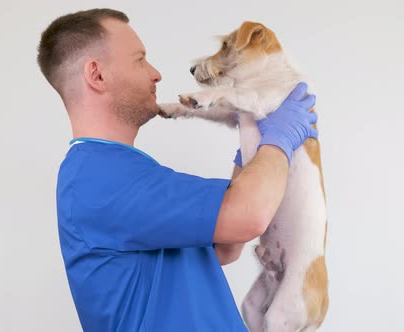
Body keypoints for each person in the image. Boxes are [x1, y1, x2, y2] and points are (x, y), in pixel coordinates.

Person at [36, 8, 318, 332]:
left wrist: (252, 140)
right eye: (139, 59)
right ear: (97, 75)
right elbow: (249, 216)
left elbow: (226, 245)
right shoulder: (99, 177)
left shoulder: (120, 171)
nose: (155, 73)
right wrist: (280, 139)